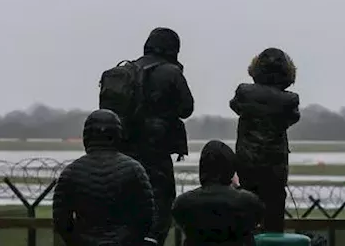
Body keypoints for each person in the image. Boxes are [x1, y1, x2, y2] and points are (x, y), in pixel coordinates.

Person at [113, 27, 195, 246]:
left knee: (129, 205)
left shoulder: (127, 70)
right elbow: (187, 108)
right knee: (161, 205)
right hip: (156, 151)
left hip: (124, 151)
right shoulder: (171, 72)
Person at [52, 109, 159, 246]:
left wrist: (78, 241)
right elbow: (146, 216)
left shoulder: (71, 172)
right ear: (118, 134)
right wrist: (128, 240)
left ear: (87, 135)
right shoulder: (134, 169)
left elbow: (61, 220)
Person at [229, 47, 300, 233]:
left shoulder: (244, 92)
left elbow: (234, 106)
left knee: (247, 216)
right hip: (275, 167)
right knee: (274, 218)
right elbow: (292, 118)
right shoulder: (290, 100)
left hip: (247, 162)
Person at [171, 140, 265, 246]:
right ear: (230, 167)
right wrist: (237, 187)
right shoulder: (247, 202)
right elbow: (257, 216)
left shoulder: (183, 202)